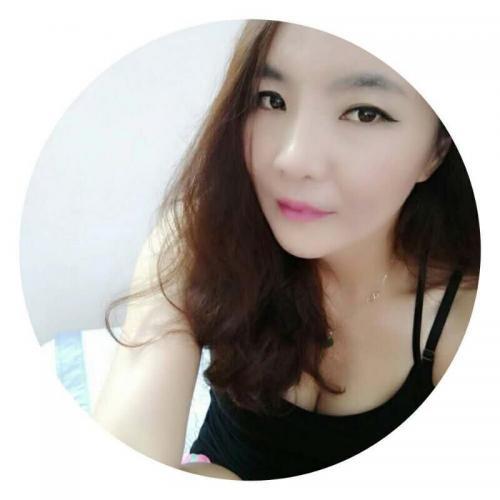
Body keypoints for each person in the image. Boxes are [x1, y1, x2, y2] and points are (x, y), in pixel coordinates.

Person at [92, 20, 479, 481]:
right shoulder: (203, 239)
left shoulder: (458, 321)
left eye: (364, 113)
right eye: (271, 100)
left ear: (437, 149)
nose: (293, 159)